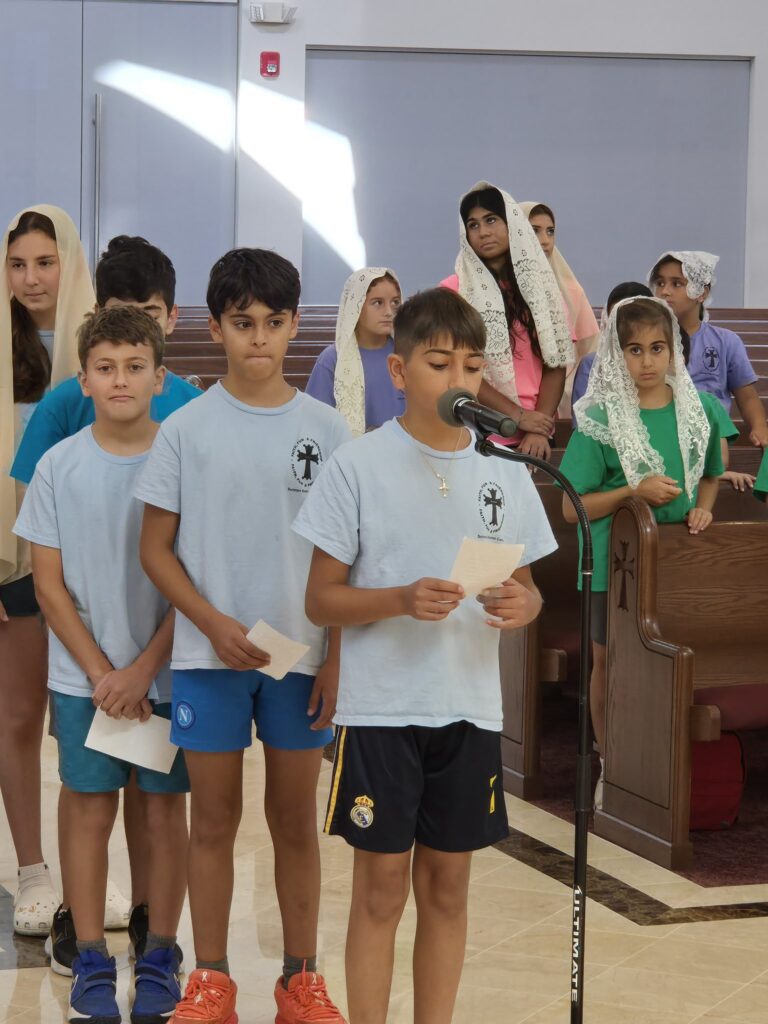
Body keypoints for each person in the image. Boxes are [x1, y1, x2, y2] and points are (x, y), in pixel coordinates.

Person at [293, 287, 557, 1024]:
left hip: (468, 707)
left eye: (472, 366)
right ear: (399, 371)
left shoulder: (503, 470)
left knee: (447, 889)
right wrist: (400, 599)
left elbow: (529, 589)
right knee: (380, 891)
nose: (458, 380)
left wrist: (525, 605)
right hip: (382, 710)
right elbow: (320, 600)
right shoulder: (359, 465)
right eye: (440, 364)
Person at [136, 248, 349, 1024]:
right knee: (214, 819)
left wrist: (337, 659)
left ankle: (301, 980)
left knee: (294, 821)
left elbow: (346, 557)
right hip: (208, 656)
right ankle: (212, 981)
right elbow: (155, 550)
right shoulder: (185, 429)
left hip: (302, 658)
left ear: (293, 326)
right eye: (242, 322)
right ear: (216, 328)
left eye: (273, 322)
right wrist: (211, 623)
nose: (258, 338)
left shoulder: (328, 429)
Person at [11, 234, 200, 973]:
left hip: (165, 673)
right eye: (106, 367)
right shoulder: (59, 466)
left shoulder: (183, 461)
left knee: (159, 807)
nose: (120, 379)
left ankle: (156, 942)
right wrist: (101, 673)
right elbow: (48, 585)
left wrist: (142, 669)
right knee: (88, 804)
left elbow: (194, 578)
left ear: (160, 376)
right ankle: (87, 945)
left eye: (135, 367)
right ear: (84, 379)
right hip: (82, 677)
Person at [559, 297, 723, 806]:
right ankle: (611, 762)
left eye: (657, 348)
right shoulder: (599, 417)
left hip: (675, 561)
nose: (647, 361)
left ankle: (658, 767)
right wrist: (632, 492)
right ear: (617, 353)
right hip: (616, 564)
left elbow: (711, 474)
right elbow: (572, 508)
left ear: (674, 350)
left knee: (665, 664)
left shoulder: (700, 410)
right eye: (634, 350)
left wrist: (704, 510)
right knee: (610, 661)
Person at [0, 205, 95, 936]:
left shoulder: (100, 345)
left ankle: (92, 867)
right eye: (17, 264)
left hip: (92, 559)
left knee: (90, 717)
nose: (31, 279)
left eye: (44, 262)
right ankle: (32, 869)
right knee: (21, 715)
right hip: (13, 556)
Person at [11, 235, 201, 485]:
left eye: (149, 316)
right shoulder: (60, 406)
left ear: (172, 318)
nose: (135, 332)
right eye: (120, 314)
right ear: (98, 315)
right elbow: (30, 493)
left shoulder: (197, 409)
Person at [440, 182, 572, 460]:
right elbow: (459, 369)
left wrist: (538, 427)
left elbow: (556, 362)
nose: (483, 232)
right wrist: (517, 416)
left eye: (491, 220)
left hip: (535, 437)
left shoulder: (543, 289)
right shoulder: (453, 292)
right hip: (474, 435)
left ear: (512, 224)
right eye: (473, 225)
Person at [649, 250, 768, 446]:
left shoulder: (726, 341)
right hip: (660, 434)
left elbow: (747, 397)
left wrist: (760, 428)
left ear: (701, 293)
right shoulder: (647, 341)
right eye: (660, 283)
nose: (665, 291)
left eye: (677, 284)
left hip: (712, 439)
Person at [520, 201, 600, 417]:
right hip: (511, 402)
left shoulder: (571, 291)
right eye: (534, 230)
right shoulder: (499, 292)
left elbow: (590, 351)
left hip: (563, 401)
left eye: (550, 231)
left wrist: (566, 390)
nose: (545, 240)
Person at [305, 268, 404, 434]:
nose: (389, 312)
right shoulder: (333, 359)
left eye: (395, 302)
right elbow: (315, 423)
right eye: (378, 303)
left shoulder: (406, 354)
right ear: (355, 307)